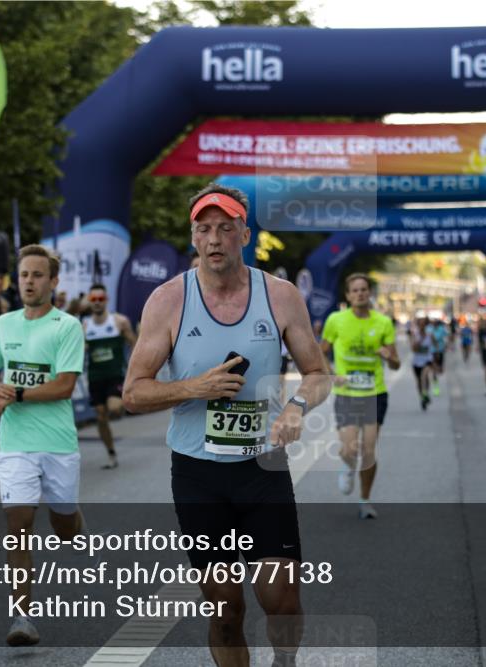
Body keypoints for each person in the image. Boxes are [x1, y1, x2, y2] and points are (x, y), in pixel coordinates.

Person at [122, 183, 331, 667]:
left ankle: (284, 662)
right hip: (198, 474)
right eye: (204, 228)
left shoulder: (279, 296)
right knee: (225, 612)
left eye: (225, 228)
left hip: (262, 468)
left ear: (244, 234)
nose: (214, 238)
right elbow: (133, 392)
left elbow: (319, 374)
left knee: (281, 602)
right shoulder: (167, 301)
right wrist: (194, 387)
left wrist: (296, 405)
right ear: (193, 237)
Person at [0, 244, 86, 647]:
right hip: (15, 443)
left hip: (57, 443)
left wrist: (16, 395)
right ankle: (22, 617)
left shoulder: (66, 327)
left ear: (53, 282)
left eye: (38, 275)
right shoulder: (4, 324)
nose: (29, 282)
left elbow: (64, 385)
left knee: (63, 527)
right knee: (17, 526)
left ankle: (73, 516)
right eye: (24, 275)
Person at [320, 273, 399, 519]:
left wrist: (388, 357)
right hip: (346, 393)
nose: (360, 294)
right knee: (349, 448)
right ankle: (347, 464)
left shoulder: (383, 322)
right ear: (348, 295)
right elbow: (320, 352)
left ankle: (365, 500)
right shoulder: (336, 320)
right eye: (355, 290)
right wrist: (332, 374)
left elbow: (396, 363)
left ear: (370, 293)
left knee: (368, 451)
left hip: (374, 393)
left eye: (364, 289)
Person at [83, 283, 137, 469]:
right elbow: (80, 351)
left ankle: (122, 405)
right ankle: (111, 451)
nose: (97, 303)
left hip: (115, 375)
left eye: (100, 299)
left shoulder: (119, 321)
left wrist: (136, 370)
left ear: (106, 300)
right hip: (95, 377)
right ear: (89, 302)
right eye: (93, 299)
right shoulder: (85, 326)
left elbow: (134, 344)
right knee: (100, 416)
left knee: (114, 409)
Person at [409, 315, 434, 410]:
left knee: (425, 376)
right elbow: (413, 349)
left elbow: (434, 346)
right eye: (420, 325)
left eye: (424, 325)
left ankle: (425, 393)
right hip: (416, 361)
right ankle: (422, 397)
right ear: (418, 325)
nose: (422, 327)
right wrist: (419, 342)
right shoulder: (415, 335)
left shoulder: (430, 335)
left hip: (427, 360)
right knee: (419, 381)